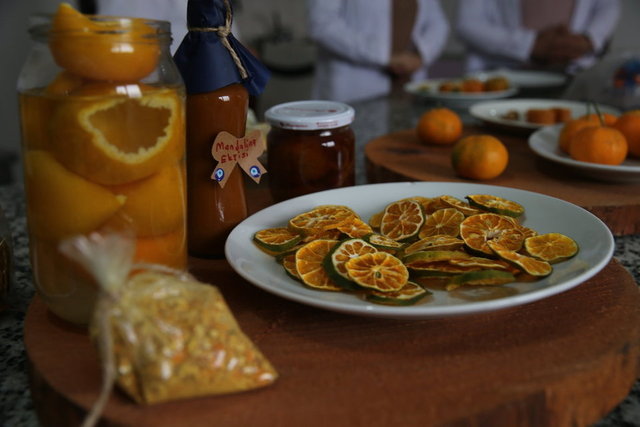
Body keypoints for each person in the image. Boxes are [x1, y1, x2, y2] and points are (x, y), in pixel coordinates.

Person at [307, 0, 450, 103]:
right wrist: (383, 55)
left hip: (409, 83)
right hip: (354, 88)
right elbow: (322, 24)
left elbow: (438, 22)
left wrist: (420, 56)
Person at [455, 0, 621, 74]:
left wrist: (588, 39)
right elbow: (467, 23)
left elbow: (608, 6)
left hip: (574, 72)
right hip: (505, 73)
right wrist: (530, 44)